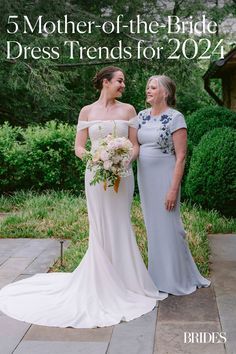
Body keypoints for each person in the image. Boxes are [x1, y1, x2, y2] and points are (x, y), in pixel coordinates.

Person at [0, 67, 167, 329]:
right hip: (95, 175)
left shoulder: (129, 110)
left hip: (122, 176)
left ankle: (127, 280)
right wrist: (96, 159)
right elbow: (79, 146)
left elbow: (135, 145)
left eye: (123, 81)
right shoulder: (87, 111)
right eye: (120, 81)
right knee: (100, 226)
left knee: (120, 222)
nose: (124, 85)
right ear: (105, 82)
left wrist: (123, 160)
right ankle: (100, 279)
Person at [137, 75, 210, 295]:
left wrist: (172, 189)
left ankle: (176, 278)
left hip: (166, 177)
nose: (148, 90)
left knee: (170, 226)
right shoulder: (140, 116)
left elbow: (181, 157)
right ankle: (157, 276)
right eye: (148, 87)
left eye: (153, 87)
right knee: (153, 227)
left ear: (165, 93)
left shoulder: (176, 118)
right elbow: (133, 146)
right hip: (145, 179)